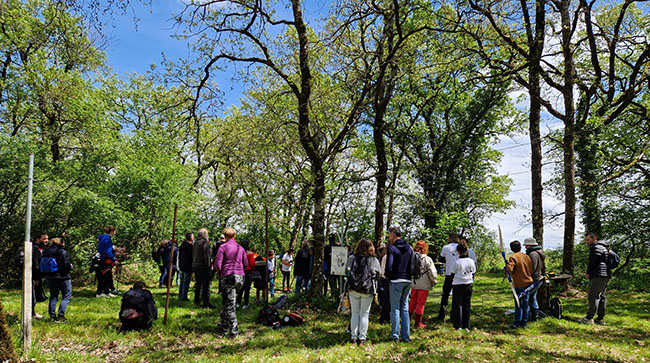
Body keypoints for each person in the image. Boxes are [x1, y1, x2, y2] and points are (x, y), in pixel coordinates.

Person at [346, 238, 380, 346]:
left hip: (353, 289)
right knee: (364, 315)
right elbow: (378, 274)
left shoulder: (352, 258)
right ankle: (362, 338)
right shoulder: (373, 260)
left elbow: (346, 272)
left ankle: (353, 337)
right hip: (367, 289)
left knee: (354, 314)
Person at [214, 227, 248, 338]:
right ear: (235, 236)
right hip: (240, 278)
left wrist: (221, 274)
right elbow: (246, 264)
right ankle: (223, 324)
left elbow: (217, 264)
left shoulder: (222, 247)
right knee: (227, 300)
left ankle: (233, 330)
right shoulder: (240, 248)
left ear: (225, 236)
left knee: (230, 304)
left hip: (228, 276)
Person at [385, 227, 412, 343]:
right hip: (407, 279)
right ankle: (406, 336)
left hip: (396, 279)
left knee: (395, 308)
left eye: (389, 235)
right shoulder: (409, 248)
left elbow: (389, 265)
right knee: (405, 308)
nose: (388, 237)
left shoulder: (392, 248)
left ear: (393, 235)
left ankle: (395, 335)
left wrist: (387, 275)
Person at [578, 232, 610, 325]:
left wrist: (588, 273)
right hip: (606, 274)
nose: (586, 242)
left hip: (599, 275)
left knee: (593, 296)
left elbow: (592, 262)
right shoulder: (604, 247)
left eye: (588, 240)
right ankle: (600, 319)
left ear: (594, 238)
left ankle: (589, 318)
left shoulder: (596, 248)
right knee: (601, 296)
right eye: (586, 240)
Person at [42, 237, 73, 323]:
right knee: (67, 295)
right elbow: (66, 265)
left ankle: (52, 316)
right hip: (63, 277)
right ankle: (61, 315)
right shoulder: (62, 251)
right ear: (61, 243)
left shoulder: (45, 251)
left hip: (50, 277)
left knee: (53, 296)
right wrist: (70, 266)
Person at [409, 240, 437, 329]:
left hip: (414, 282)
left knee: (412, 300)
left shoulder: (411, 257)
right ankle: (418, 323)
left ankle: (407, 320)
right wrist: (433, 281)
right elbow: (432, 272)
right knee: (421, 303)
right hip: (424, 283)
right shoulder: (427, 259)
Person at [506, 240, 533, 329]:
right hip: (528, 282)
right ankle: (524, 323)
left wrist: (506, 267)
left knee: (518, 304)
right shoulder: (526, 257)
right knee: (525, 303)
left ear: (511, 248)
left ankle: (517, 323)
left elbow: (509, 269)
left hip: (520, 284)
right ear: (520, 247)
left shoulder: (513, 257)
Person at [451, 240, 476, 331]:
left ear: (458, 251)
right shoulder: (471, 261)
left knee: (458, 306)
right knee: (467, 305)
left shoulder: (457, 262)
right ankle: (467, 325)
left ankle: (458, 325)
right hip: (468, 284)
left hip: (458, 284)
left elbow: (452, 274)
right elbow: (473, 273)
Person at [438, 233, 459, 321]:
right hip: (458, 274)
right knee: (457, 296)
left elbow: (441, 259)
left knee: (445, 295)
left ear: (449, 239)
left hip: (449, 273)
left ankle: (442, 314)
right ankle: (455, 315)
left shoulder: (445, 247)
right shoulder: (461, 247)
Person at [524, 237, 546, 321]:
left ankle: (530, 315)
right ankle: (535, 316)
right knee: (533, 297)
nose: (525, 247)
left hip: (534, 279)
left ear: (531, 245)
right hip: (538, 278)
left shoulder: (533, 254)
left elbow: (532, 267)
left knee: (528, 297)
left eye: (526, 245)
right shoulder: (538, 252)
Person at [192, 228, 214, 309]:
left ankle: (196, 300)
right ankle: (206, 303)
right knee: (205, 286)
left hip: (195, 266)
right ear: (205, 234)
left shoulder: (195, 242)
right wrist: (208, 267)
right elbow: (206, 257)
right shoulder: (205, 243)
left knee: (198, 284)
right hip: (202, 266)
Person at [97, 226, 118, 298]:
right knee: (103, 277)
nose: (115, 233)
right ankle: (99, 293)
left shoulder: (104, 238)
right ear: (112, 231)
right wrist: (114, 260)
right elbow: (108, 251)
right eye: (114, 231)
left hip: (104, 259)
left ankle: (106, 292)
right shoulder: (107, 239)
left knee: (107, 276)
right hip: (104, 260)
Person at [32, 232, 49, 319]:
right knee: (32, 296)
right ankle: (32, 314)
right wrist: (35, 278)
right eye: (44, 239)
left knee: (36, 294)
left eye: (47, 239)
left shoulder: (40, 248)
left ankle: (33, 313)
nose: (46, 240)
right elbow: (35, 264)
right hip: (34, 276)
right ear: (37, 239)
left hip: (38, 275)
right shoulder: (35, 248)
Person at [377, 244, 391, 325]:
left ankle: (383, 319)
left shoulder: (382, 257)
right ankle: (386, 319)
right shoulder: (387, 257)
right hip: (387, 279)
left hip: (383, 280)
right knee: (388, 301)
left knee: (385, 300)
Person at [178, 233, 194, 301]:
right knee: (186, 282)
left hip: (181, 265)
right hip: (187, 266)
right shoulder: (190, 247)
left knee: (182, 282)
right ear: (190, 238)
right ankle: (184, 297)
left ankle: (180, 295)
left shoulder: (182, 245)